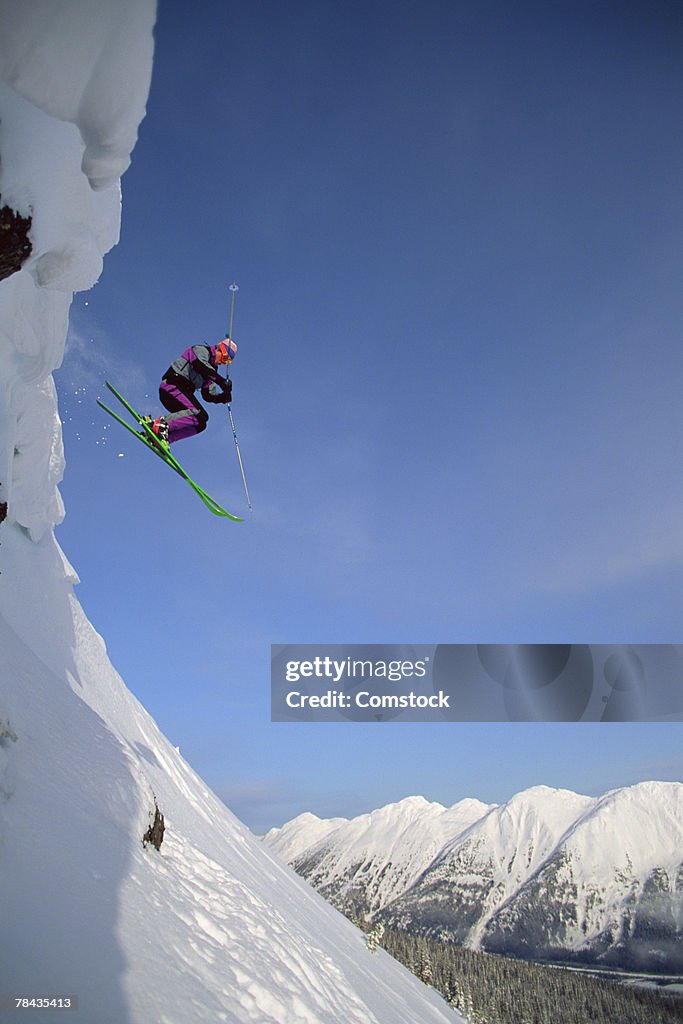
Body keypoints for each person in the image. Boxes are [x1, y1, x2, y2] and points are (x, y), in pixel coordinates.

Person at [143, 338, 237, 450]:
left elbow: (208, 395)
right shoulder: (201, 350)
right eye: (225, 358)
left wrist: (223, 397)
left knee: (201, 423)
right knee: (199, 414)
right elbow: (200, 365)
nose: (222, 362)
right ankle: (161, 425)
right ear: (220, 349)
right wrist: (221, 381)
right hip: (172, 386)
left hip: (182, 395)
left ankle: (163, 438)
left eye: (227, 362)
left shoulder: (212, 372)